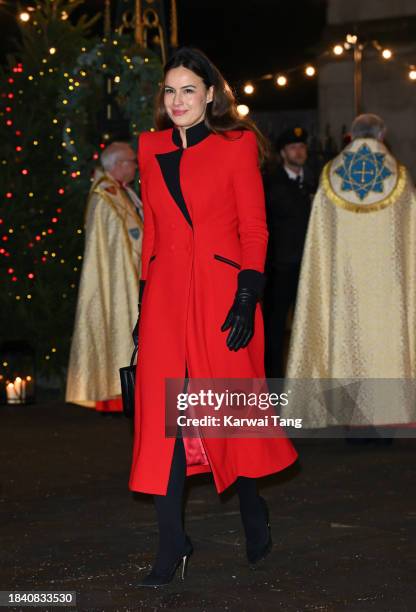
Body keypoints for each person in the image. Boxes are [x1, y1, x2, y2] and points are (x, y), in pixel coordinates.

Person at [129, 47, 298, 587]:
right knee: (164, 423)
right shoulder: (150, 147)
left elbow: (255, 228)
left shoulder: (235, 143)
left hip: (226, 299)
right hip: (166, 299)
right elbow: (152, 234)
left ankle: (253, 510)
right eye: (169, 91)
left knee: (229, 415)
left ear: (209, 95)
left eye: (188, 91)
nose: (177, 101)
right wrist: (143, 302)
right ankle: (172, 543)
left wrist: (248, 295)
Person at [285, 114, 416, 431]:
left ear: (350, 137)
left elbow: (320, 238)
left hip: (344, 284)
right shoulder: (397, 175)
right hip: (388, 287)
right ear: (382, 134)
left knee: (348, 341)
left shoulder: (331, 175)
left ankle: (351, 421)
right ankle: (386, 417)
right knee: (384, 342)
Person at [66, 142, 143, 412]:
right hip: (117, 281)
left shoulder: (121, 192)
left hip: (130, 274)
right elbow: (113, 248)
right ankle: (115, 393)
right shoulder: (105, 196)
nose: (136, 166)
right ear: (119, 164)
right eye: (132, 161)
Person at [263, 127, 317, 378]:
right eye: (294, 147)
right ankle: (273, 382)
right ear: (283, 153)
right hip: (279, 268)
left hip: (310, 266)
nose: (300, 151)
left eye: (302, 146)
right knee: (274, 328)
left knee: (310, 325)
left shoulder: (313, 179)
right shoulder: (271, 182)